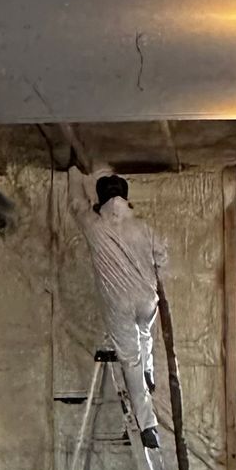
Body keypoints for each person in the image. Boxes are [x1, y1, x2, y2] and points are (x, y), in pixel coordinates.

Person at [65, 164, 169, 433]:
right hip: (147, 298)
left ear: (101, 200)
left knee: (130, 359)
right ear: (125, 198)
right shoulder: (142, 227)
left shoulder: (94, 226)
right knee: (144, 333)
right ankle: (149, 371)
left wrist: (74, 172)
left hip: (119, 302)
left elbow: (76, 204)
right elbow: (162, 256)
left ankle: (147, 423)